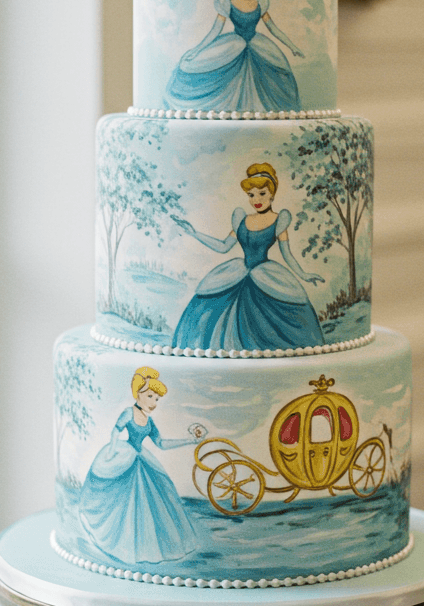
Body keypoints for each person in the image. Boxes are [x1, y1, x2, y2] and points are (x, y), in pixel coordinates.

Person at [172, 162, 324, 351]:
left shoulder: (278, 220)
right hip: (238, 273)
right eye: (251, 195)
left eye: (262, 193)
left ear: (272, 194)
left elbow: (287, 255)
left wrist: (303, 274)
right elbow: (223, 246)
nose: (256, 199)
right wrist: (194, 233)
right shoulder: (243, 220)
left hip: (265, 277)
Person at [78, 367, 204, 565]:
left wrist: (189, 440)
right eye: (150, 396)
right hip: (125, 455)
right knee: (125, 503)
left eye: (156, 398)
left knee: (160, 494)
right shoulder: (128, 413)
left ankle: (149, 547)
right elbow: (115, 431)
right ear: (138, 394)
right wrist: (111, 452)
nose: (153, 402)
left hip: (141, 458)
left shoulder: (150, 421)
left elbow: (161, 443)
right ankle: (124, 544)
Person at [165, 0, 304, 111]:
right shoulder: (228, 3)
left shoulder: (260, 4)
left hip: (257, 45)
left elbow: (273, 28)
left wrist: (293, 46)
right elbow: (215, 31)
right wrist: (197, 50)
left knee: (278, 71)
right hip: (234, 46)